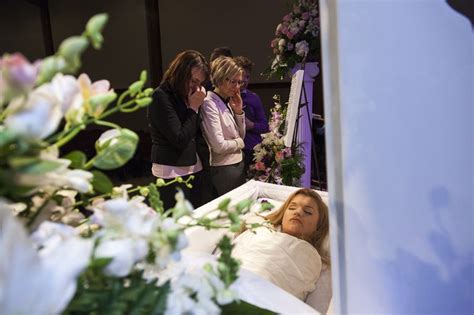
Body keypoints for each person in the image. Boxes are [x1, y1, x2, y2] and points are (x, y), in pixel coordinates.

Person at [231, 188, 330, 300]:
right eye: (292, 208)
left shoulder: (311, 256)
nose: (297, 212)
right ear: (283, 215)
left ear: (318, 226)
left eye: (307, 212)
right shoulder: (260, 230)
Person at [147, 50, 212, 210]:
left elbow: (195, 133)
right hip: (170, 171)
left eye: (200, 83)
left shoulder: (187, 95)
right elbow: (179, 138)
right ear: (180, 73)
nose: (196, 87)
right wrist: (193, 109)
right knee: (175, 226)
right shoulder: (160, 97)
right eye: (193, 81)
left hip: (194, 166)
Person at [200, 56, 246, 196]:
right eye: (233, 82)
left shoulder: (227, 101)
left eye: (239, 82)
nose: (237, 87)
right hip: (225, 168)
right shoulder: (209, 103)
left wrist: (238, 111)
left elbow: (240, 135)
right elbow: (218, 146)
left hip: (236, 164)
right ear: (221, 77)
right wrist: (239, 143)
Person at [233, 56, 269, 171]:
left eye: (247, 77)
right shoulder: (227, 97)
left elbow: (264, 126)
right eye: (241, 76)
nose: (244, 80)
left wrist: (251, 125)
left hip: (253, 149)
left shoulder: (253, 98)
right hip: (234, 149)